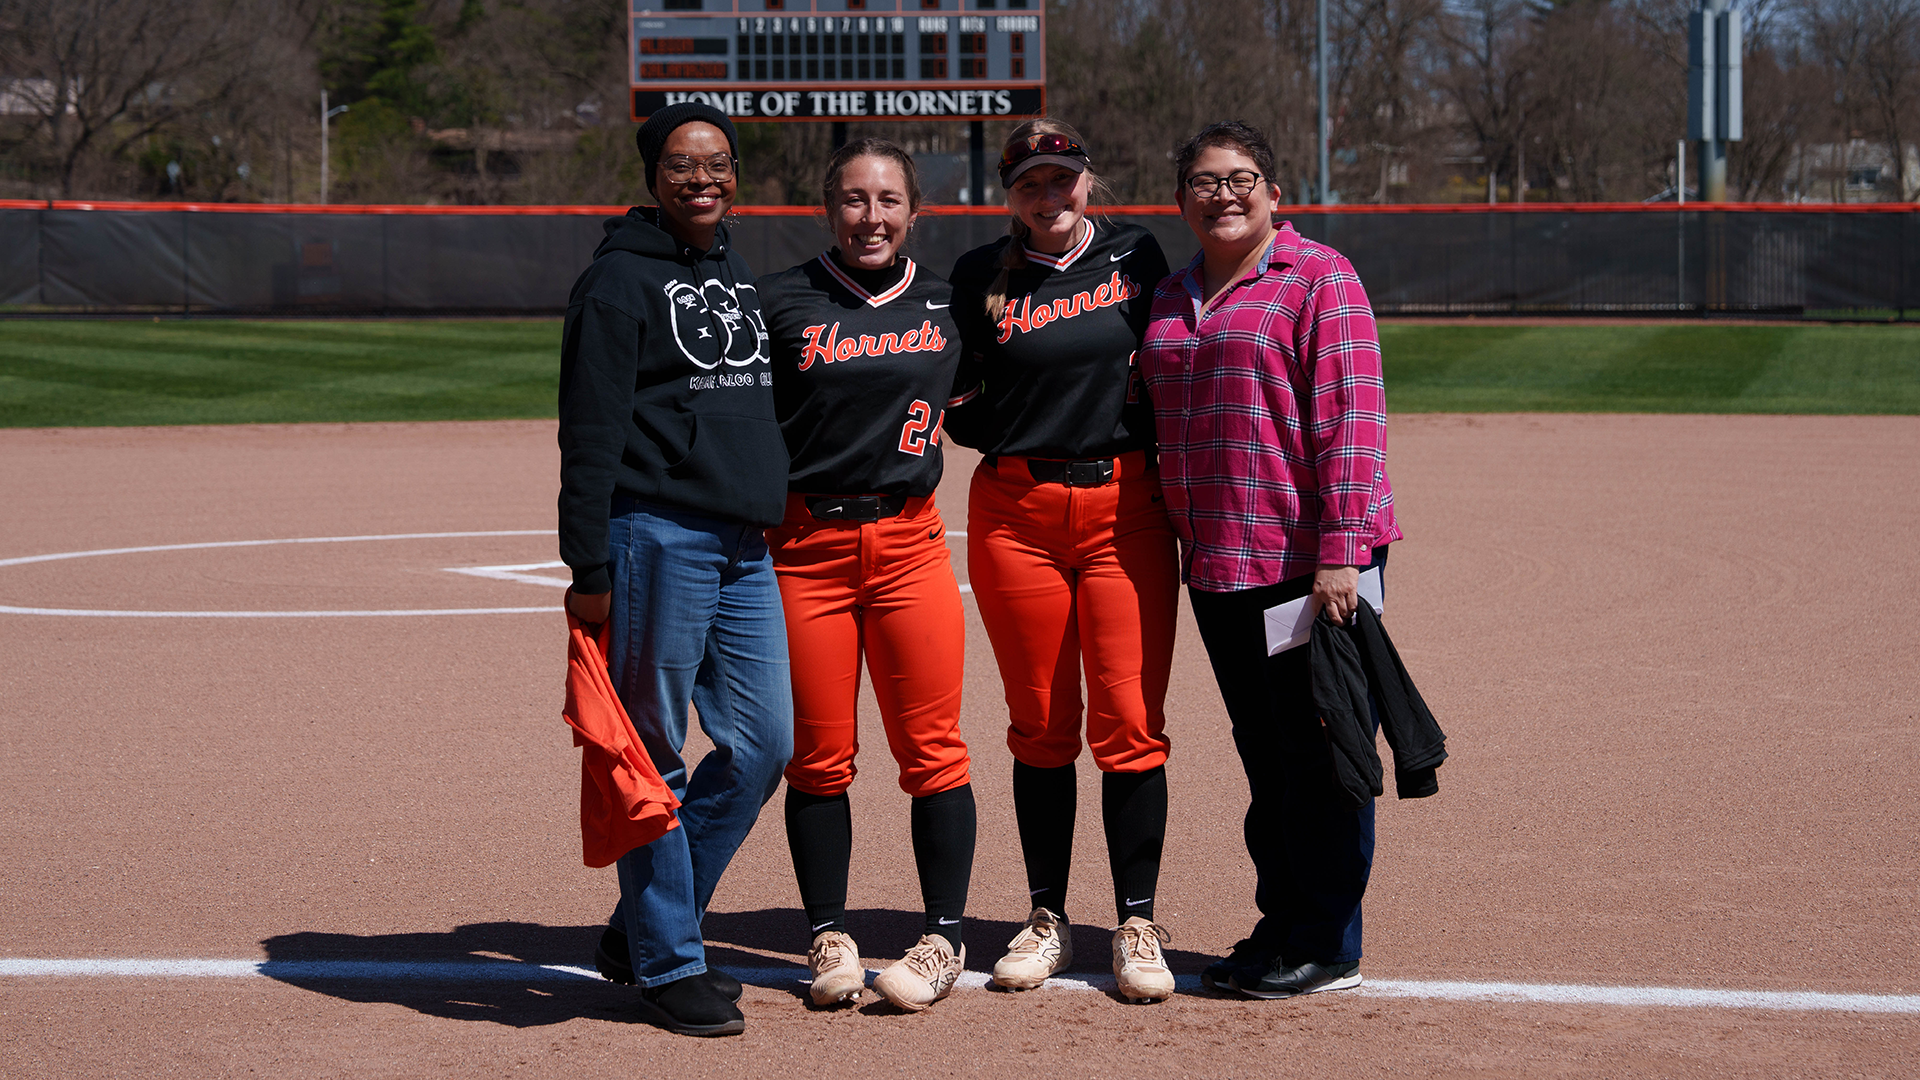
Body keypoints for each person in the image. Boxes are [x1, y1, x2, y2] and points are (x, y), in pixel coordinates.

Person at [1140, 120, 1402, 1000]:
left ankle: (1329, 941)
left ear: (1274, 192)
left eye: (1241, 178)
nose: (1224, 194)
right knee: (1267, 758)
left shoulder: (1318, 276)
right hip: (1218, 564)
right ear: (1182, 201)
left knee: (1323, 755)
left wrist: (1343, 554)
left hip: (1305, 562)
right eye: (1205, 181)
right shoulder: (1170, 295)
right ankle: (1283, 920)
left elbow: (1353, 419)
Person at [558, 102, 793, 1037]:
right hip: (655, 533)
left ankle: (642, 927)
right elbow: (589, 429)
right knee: (652, 754)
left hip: (742, 541)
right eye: (684, 166)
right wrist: (588, 562)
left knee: (765, 746)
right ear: (653, 176)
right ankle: (667, 962)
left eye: (719, 164)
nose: (704, 180)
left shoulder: (732, 264)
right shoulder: (616, 282)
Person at [944, 118, 1181, 1003]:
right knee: (1041, 724)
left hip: (1128, 510)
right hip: (1017, 514)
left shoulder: (1137, 254)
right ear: (1009, 194)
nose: (1048, 195)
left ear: (1088, 179)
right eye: (1030, 183)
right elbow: (959, 398)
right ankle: (1047, 918)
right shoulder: (980, 274)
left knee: (1130, 723)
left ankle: (1137, 921)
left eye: (1062, 178)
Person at [755, 138, 976, 1013]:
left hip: (910, 542)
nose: (871, 217)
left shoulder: (950, 303)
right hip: (804, 549)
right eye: (854, 199)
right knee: (817, 757)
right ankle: (829, 934)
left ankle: (944, 936)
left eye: (888, 200)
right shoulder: (778, 301)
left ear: (914, 212)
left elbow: (996, 406)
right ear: (828, 207)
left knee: (934, 749)